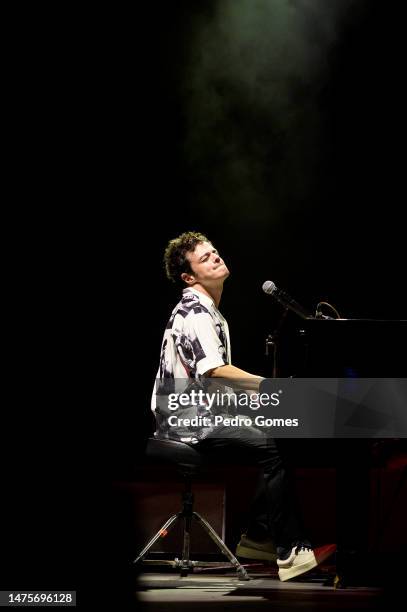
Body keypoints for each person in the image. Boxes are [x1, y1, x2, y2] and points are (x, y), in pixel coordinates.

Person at [151, 231, 324, 581]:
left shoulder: (209, 311)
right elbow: (215, 371)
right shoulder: (197, 312)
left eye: (214, 251)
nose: (215, 257)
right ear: (189, 277)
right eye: (205, 258)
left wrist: (264, 402)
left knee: (279, 432)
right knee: (273, 443)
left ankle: (259, 536)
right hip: (187, 422)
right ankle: (290, 550)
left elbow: (212, 384)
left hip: (198, 412)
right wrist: (270, 389)